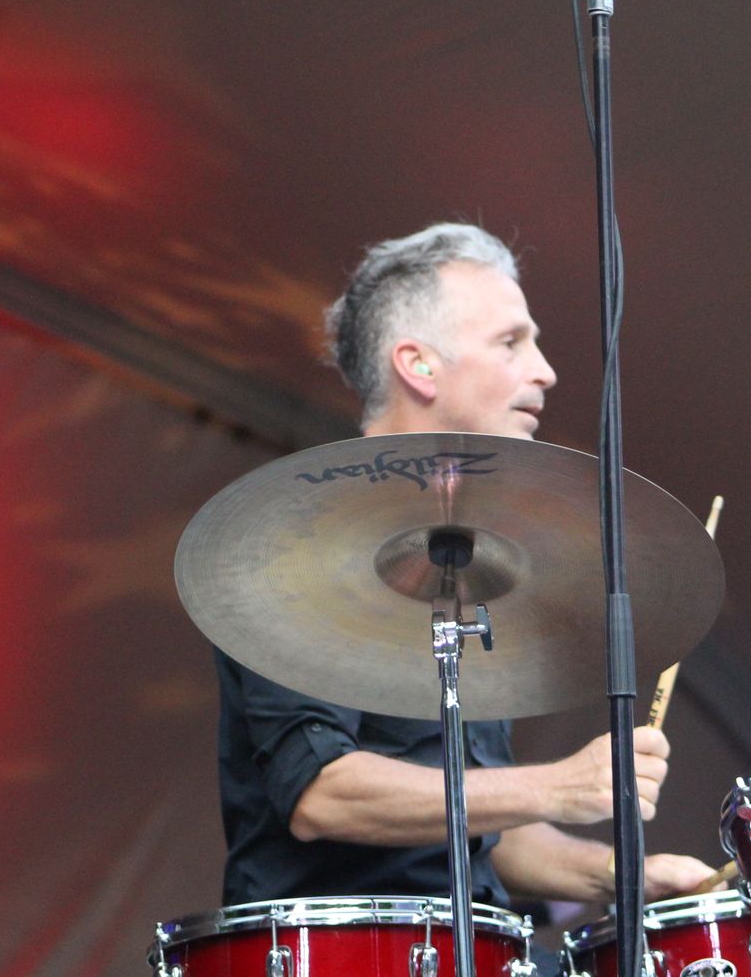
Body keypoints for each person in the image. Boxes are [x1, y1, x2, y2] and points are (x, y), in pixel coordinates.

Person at [215, 222, 717, 912]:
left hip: (475, 940)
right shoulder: (298, 544)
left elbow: (480, 829)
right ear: (418, 365)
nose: (545, 370)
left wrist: (624, 873)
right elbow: (320, 794)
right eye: (511, 342)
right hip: (343, 949)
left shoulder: (468, 560)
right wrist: (557, 786)